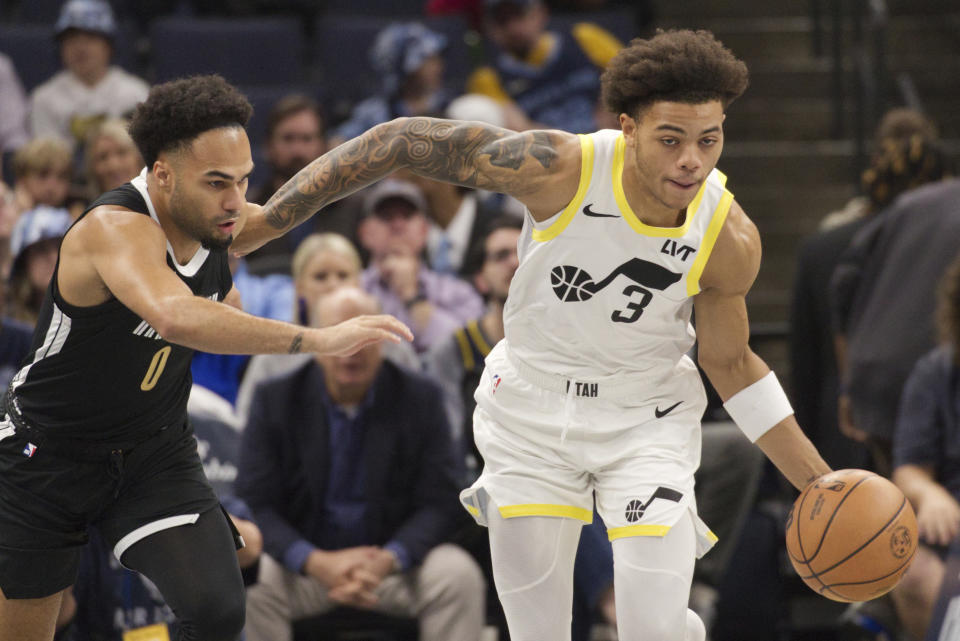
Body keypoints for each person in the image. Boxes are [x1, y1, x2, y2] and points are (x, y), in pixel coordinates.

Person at [236, 28, 833, 641]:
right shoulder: (561, 167)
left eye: (709, 140)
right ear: (628, 128)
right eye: (671, 139)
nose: (692, 160)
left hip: (644, 417)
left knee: (651, 628)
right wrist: (272, 219)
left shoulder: (727, 236)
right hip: (532, 413)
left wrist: (819, 480)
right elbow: (398, 141)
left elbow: (731, 365)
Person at [0, 75, 411, 641]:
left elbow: (283, 214)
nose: (235, 202)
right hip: (45, 453)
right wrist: (320, 338)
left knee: (218, 610)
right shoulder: (115, 228)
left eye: (242, 181)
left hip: (151, 450)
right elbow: (175, 315)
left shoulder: (217, 217)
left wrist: (382, 147)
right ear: (162, 173)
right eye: (218, 182)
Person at [237, 286, 485, 641]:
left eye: (363, 336)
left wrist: (388, 559)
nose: (350, 350)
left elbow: (441, 500)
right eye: (338, 335)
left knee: (457, 576)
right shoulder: (275, 399)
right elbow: (256, 502)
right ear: (313, 340)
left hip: (395, 569)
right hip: (306, 569)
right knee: (253, 579)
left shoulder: (421, 399)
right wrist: (314, 562)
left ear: (385, 340)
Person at [790, 109, 942, 472]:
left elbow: (804, 363)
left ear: (876, 163)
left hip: (842, 433)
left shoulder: (823, 248)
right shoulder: (945, 250)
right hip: (936, 431)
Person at [830, 136, 951, 474]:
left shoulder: (912, 206)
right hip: (933, 376)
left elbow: (843, 284)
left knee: (898, 509)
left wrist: (848, 383)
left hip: (875, 374)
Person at [888, 254, 960, 641]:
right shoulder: (935, 372)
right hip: (951, 529)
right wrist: (929, 494)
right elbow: (909, 468)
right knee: (908, 569)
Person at [358, 178, 484, 353]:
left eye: (407, 215)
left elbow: (466, 352)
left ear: (424, 230)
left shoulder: (459, 293)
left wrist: (412, 296)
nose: (397, 225)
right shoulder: (350, 288)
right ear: (365, 232)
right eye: (386, 216)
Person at [467, 0, 622, 133]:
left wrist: (608, 111)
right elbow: (519, 130)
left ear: (540, 13)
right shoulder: (487, 78)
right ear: (489, 28)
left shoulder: (583, 37)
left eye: (519, 15)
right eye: (502, 21)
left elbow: (625, 75)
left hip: (610, 135)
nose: (513, 28)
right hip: (555, 156)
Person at [29, 0, 149, 148]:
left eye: (90, 38)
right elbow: (45, 160)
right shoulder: (43, 98)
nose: (80, 48)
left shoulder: (136, 93)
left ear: (108, 45)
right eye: (71, 39)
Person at [246, 94, 329, 276]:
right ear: (268, 147)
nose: (297, 150)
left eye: (307, 139)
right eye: (288, 138)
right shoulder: (247, 211)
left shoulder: (353, 209)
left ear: (323, 146)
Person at [330, 22, 452, 145]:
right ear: (404, 69)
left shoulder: (449, 104)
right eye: (428, 61)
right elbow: (337, 143)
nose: (438, 68)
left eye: (437, 59)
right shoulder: (375, 114)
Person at [5, 205, 73, 325]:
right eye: (41, 249)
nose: (53, 257)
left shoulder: (92, 318)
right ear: (24, 263)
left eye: (60, 247)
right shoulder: (6, 321)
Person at [10, 137, 73, 216]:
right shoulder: (5, 217)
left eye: (61, 177)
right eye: (43, 175)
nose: (51, 187)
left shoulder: (75, 218)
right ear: (22, 179)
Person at [83, 117, 144, 196]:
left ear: (139, 158)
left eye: (122, 153)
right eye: (103, 157)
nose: (114, 165)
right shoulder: (86, 208)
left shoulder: (161, 207)